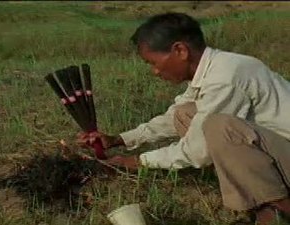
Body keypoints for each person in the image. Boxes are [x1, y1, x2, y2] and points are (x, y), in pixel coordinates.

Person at [77, 13, 290, 224]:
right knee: (184, 112)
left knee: (220, 127)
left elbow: (196, 149)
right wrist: (119, 139)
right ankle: (245, 186)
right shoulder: (210, 69)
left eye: (153, 62)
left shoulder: (226, 77)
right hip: (278, 149)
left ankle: (277, 209)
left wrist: (138, 162)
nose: (155, 71)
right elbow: (171, 119)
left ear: (180, 50)